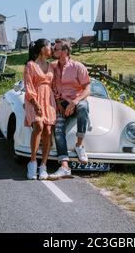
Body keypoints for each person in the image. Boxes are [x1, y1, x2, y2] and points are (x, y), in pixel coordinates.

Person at [49, 39, 90, 180]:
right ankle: (65, 166)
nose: (53, 51)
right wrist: (59, 102)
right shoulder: (53, 67)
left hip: (77, 101)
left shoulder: (78, 66)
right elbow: (52, 87)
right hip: (62, 103)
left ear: (65, 51)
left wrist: (75, 101)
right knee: (58, 128)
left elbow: (87, 88)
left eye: (56, 49)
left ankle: (79, 145)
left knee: (84, 107)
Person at [23, 38, 56, 180]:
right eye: (50, 46)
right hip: (34, 99)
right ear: (43, 49)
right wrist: (35, 104)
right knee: (38, 126)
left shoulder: (51, 66)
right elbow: (29, 87)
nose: (52, 49)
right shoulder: (30, 66)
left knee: (48, 130)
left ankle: (43, 165)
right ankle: (32, 162)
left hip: (49, 100)